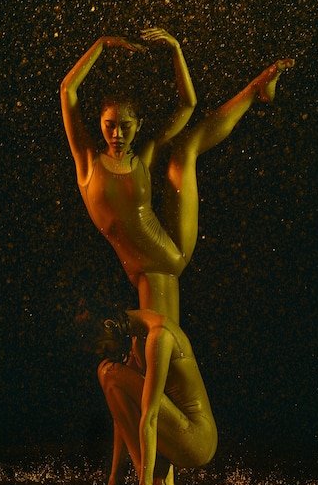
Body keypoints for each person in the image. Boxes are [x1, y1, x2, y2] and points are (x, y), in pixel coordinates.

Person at [61, 30, 294, 324]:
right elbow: (67, 90)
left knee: (186, 147)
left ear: (139, 124)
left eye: (126, 126)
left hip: (165, 256)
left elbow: (188, 105)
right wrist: (101, 44)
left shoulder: (143, 156)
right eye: (110, 126)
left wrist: (176, 50)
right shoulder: (88, 163)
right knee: (158, 339)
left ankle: (256, 88)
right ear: (100, 123)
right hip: (145, 266)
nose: (117, 134)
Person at [96, 309, 217, 485]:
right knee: (108, 372)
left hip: (197, 440)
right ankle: (151, 483)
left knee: (109, 372)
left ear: (110, 325)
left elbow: (149, 415)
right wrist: (114, 476)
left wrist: (145, 484)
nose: (106, 353)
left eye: (104, 346)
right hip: (179, 432)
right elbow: (122, 415)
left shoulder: (159, 336)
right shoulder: (138, 339)